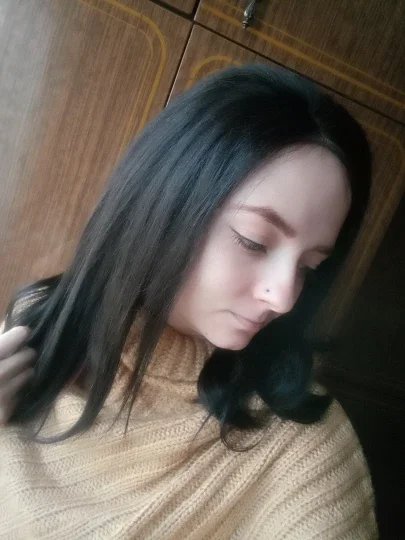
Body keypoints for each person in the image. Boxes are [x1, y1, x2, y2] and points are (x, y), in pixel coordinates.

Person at [0, 64, 377, 539]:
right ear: (162, 204)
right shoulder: (35, 328)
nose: (284, 298)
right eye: (254, 241)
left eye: (309, 267)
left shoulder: (306, 452)